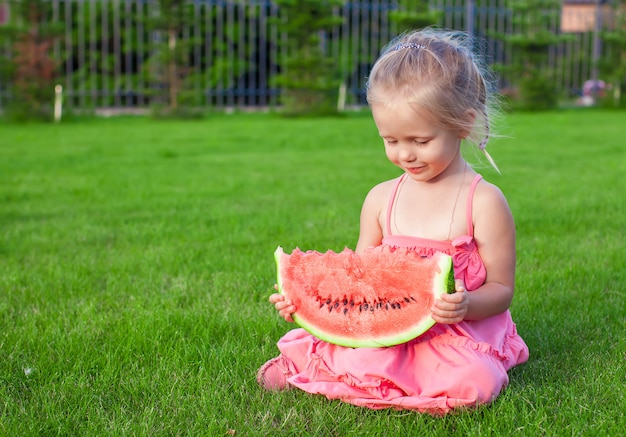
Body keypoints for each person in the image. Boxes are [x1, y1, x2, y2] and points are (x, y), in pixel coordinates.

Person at [257, 28, 529, 415]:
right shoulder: (381, 199)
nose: (406, 154)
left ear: (463, 124)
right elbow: (357, 280)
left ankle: (356, 375)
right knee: (346, 347)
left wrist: (465, 304)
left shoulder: (483, 202)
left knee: (475, 379)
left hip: (456, 332)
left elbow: (502, 289)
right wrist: (302, 300)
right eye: (390, 140)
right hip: (383, 325)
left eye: (420, 141)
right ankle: (358, 368)